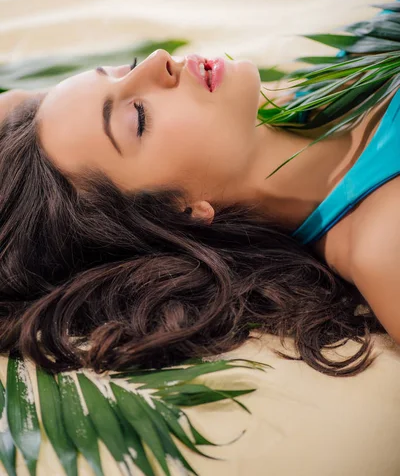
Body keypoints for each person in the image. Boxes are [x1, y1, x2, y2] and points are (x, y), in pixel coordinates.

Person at [0, 49, 395, 375]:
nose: (159, 60)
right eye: (138, 117)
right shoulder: (383, 245)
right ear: (182, 212)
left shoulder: (315, 86)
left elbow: (14, 104)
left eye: (128, 70)